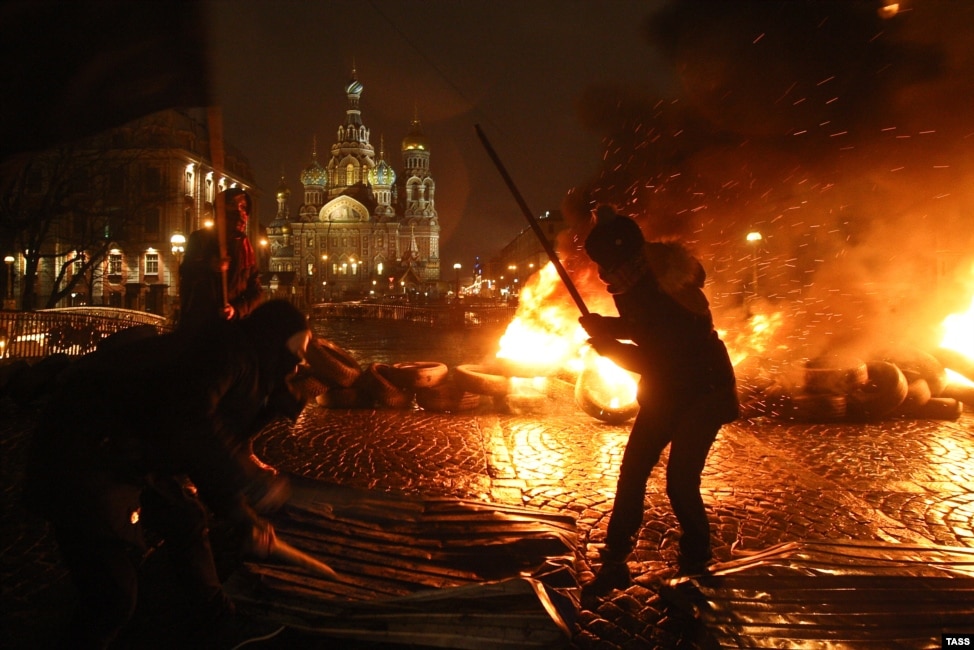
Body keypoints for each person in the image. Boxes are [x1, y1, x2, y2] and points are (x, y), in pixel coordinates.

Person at [23, 300, 313, 648]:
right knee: (112, 596)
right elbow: (193, 424)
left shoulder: (243, 362)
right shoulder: (226, 355)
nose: (300, 362)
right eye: (298, 350)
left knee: (185, 519)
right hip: (85, 453)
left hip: (137, 447)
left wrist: (243, 518)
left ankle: (216, 622)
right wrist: (251, 483)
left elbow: (204, 454)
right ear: (275, 342)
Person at [578, 206, 739, 599]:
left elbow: (655, 353)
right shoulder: (635, 278)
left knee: (680, 482)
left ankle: (697, 557)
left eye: (605, 264)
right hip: (666, 390)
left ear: (624, 256)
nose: (602, 274)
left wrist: (609, 348)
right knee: (632, 472)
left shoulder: (664, 289)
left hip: (704, 393)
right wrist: (605, 325)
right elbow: (642, 328)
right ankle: (615, 559)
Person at [178, 187, 263, 331]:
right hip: (201, 326)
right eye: (232, 205)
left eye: (243, 207)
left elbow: (256, 292)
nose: (238, 212)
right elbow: (186, 271)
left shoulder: (246, 247)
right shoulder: (201, 239)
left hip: (234, 326)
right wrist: (209, 265)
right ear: (220, 210)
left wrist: (236, 310)